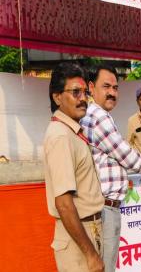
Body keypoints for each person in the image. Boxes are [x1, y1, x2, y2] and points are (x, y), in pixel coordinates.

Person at [80, 63, 141, 272]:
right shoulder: (98, 116)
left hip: (107, 206)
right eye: (106, 86)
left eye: (115, 88)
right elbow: (125, 154)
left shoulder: (97, 114)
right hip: (105, 208)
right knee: (106, 267)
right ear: (91, 88)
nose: (112, 92)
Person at [43, 62, 104, 272]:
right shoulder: (60, 136)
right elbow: (64, 204)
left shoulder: (71, 131)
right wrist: (91, 254)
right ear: (57, 97)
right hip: (78, 240)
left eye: (85, 92)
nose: (83, 99)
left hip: (89, 231)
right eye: (75, 92)